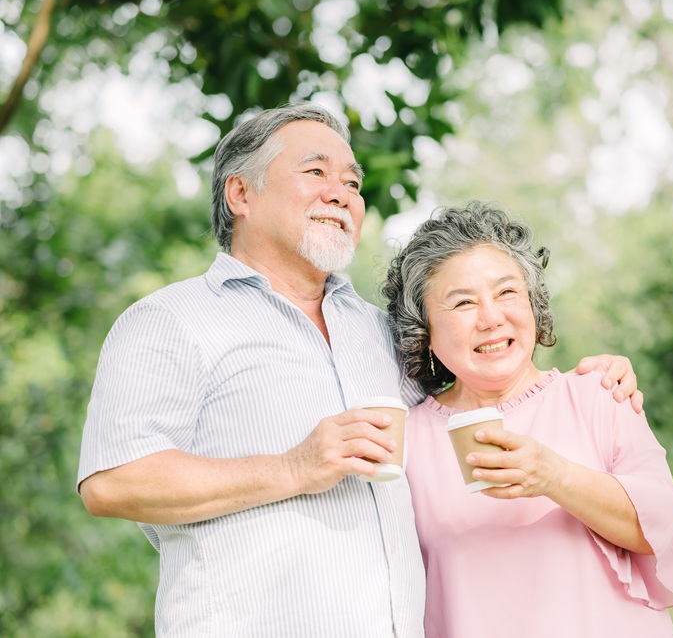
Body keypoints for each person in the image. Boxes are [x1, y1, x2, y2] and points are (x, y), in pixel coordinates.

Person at [76, 103, 643, 637]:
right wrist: (295, 467)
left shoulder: (383, 333)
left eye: (352, 182)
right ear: (240, 193)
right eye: (315, 171)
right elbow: (112, 482)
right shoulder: (169, 319)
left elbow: (481, 384)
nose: (341, 193)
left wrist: (593, 378)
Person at [382, 202, 673, 637]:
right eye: (463, 303)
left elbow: (663, 531)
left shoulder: (600, 393)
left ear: (532, 304)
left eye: (507, 293)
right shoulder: (407, 441)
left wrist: (555, 476)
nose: (491, 318)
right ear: (425, 330)